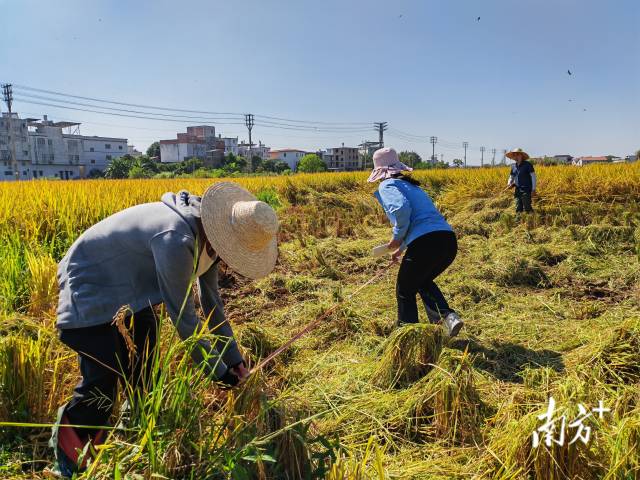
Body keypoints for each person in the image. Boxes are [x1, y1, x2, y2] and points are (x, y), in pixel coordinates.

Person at [50, 182, 279, 477]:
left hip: (134, 292)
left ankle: (132, 433)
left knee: (147, 369)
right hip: (91, 283)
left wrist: (234, 361)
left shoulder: (210, 241)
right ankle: (67, 461)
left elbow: (212, 306)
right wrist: (219, 374)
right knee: (103, 381)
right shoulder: (176, 238)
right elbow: (183, 317)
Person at [369, 147, 463, 337]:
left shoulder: (387, 185)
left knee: (404, 289)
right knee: (421, 281)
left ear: (379, 171)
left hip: (426, 244)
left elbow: (402, 211)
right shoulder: (411, 186)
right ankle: (447, 318)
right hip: (447, 241)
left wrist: (396, 239)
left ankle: (408, 335)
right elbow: (421, 221)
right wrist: (401, 249)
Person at [506, 148, 536, 214]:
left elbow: (533, 177)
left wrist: (533, 189)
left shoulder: (528, 165)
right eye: (514, 155)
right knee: (518, 207)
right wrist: (509, 183)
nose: (516, 156)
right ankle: (518, 221)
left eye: (517, 155)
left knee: (527, 206)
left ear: (521, 155)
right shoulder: (513, 166)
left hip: (526, 189)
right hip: (517, 190)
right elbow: (511, 176)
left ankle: (532, 219)